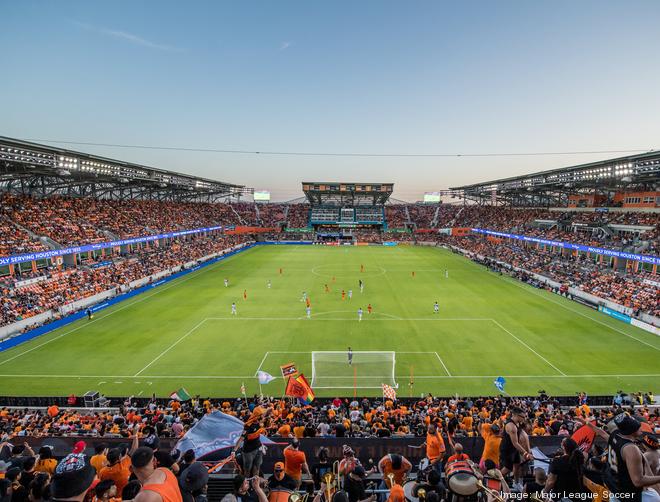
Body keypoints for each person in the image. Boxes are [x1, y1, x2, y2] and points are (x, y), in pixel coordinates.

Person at [604, 414, 660, 502]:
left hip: (616, 490)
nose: (641, 428)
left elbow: (603, 433)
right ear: (631, 430)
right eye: (638, 427)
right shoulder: (631, 449)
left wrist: (587, 423)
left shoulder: (615, 435)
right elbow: (638, 481)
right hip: (631, 495)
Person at [499, 407, 531, 490]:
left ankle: (516, 483)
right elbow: (515, 443)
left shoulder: (518, 423)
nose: (524, 419)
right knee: (507, 469)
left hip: (514, 449)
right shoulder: (511, 426)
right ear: (516, 415)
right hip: (507, 450)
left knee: (517, 465)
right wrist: (526, 453)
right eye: (523, 417)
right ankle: (496, 482)